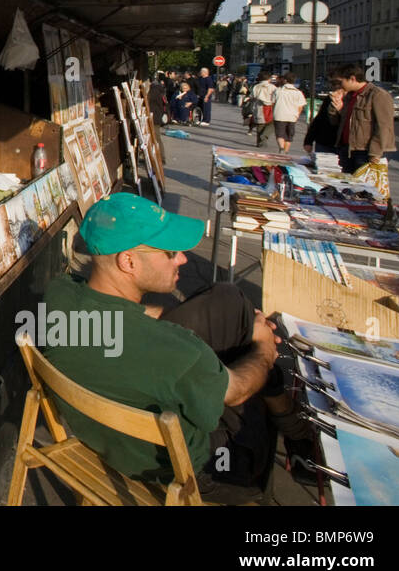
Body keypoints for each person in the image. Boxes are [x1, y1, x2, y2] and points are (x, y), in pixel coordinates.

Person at [42, 194, 311, 502]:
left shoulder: (59, 296)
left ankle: (296, 431)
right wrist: (263, 347)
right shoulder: (180, 353)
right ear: (127, 261)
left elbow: (129, 316)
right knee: (255, 379)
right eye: (170, 252)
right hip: (193, 467)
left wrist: (210, 322)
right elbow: (237, 390)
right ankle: (294, 438)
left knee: (228, 299)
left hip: (109, 434)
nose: (183, 258)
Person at [333, 62, 396, 173]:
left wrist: (375, 153)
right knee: (346, 187)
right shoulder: (349, 95)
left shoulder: (377, 94)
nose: (338, 85)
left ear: (352, 79)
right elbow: (342, 121)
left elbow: (384, 126)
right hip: (348, 149)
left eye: (340, 82)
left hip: (365, 151)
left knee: (363, 188)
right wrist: (336, 108)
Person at [303, 81, 344, 155]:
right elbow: (319, 119)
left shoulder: (351, 99)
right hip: (324, 141)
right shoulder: (329, 99)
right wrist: (308, 140)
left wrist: (341, 110)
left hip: (341, 145)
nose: (335, 93)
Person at [271, 73, 306, 154]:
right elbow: (300, 106)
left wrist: (273, 112)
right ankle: (286, 151)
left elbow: (273, 103)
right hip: (292, 116)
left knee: (280, 134)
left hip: (279, 115)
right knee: (289, 135)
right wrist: (297, 115)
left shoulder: (278, 90)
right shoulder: (298, 92)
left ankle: (281, 148)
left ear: (285, 80)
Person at [250, 72, 277, 146]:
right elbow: (276, 97)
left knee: (260, 125)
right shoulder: (272, 87)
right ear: (269, 79)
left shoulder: (256, 86)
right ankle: (264, 135)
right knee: (272, 123)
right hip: (270, 107)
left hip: (259, 107)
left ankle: (259, 142)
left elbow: (252, 96)